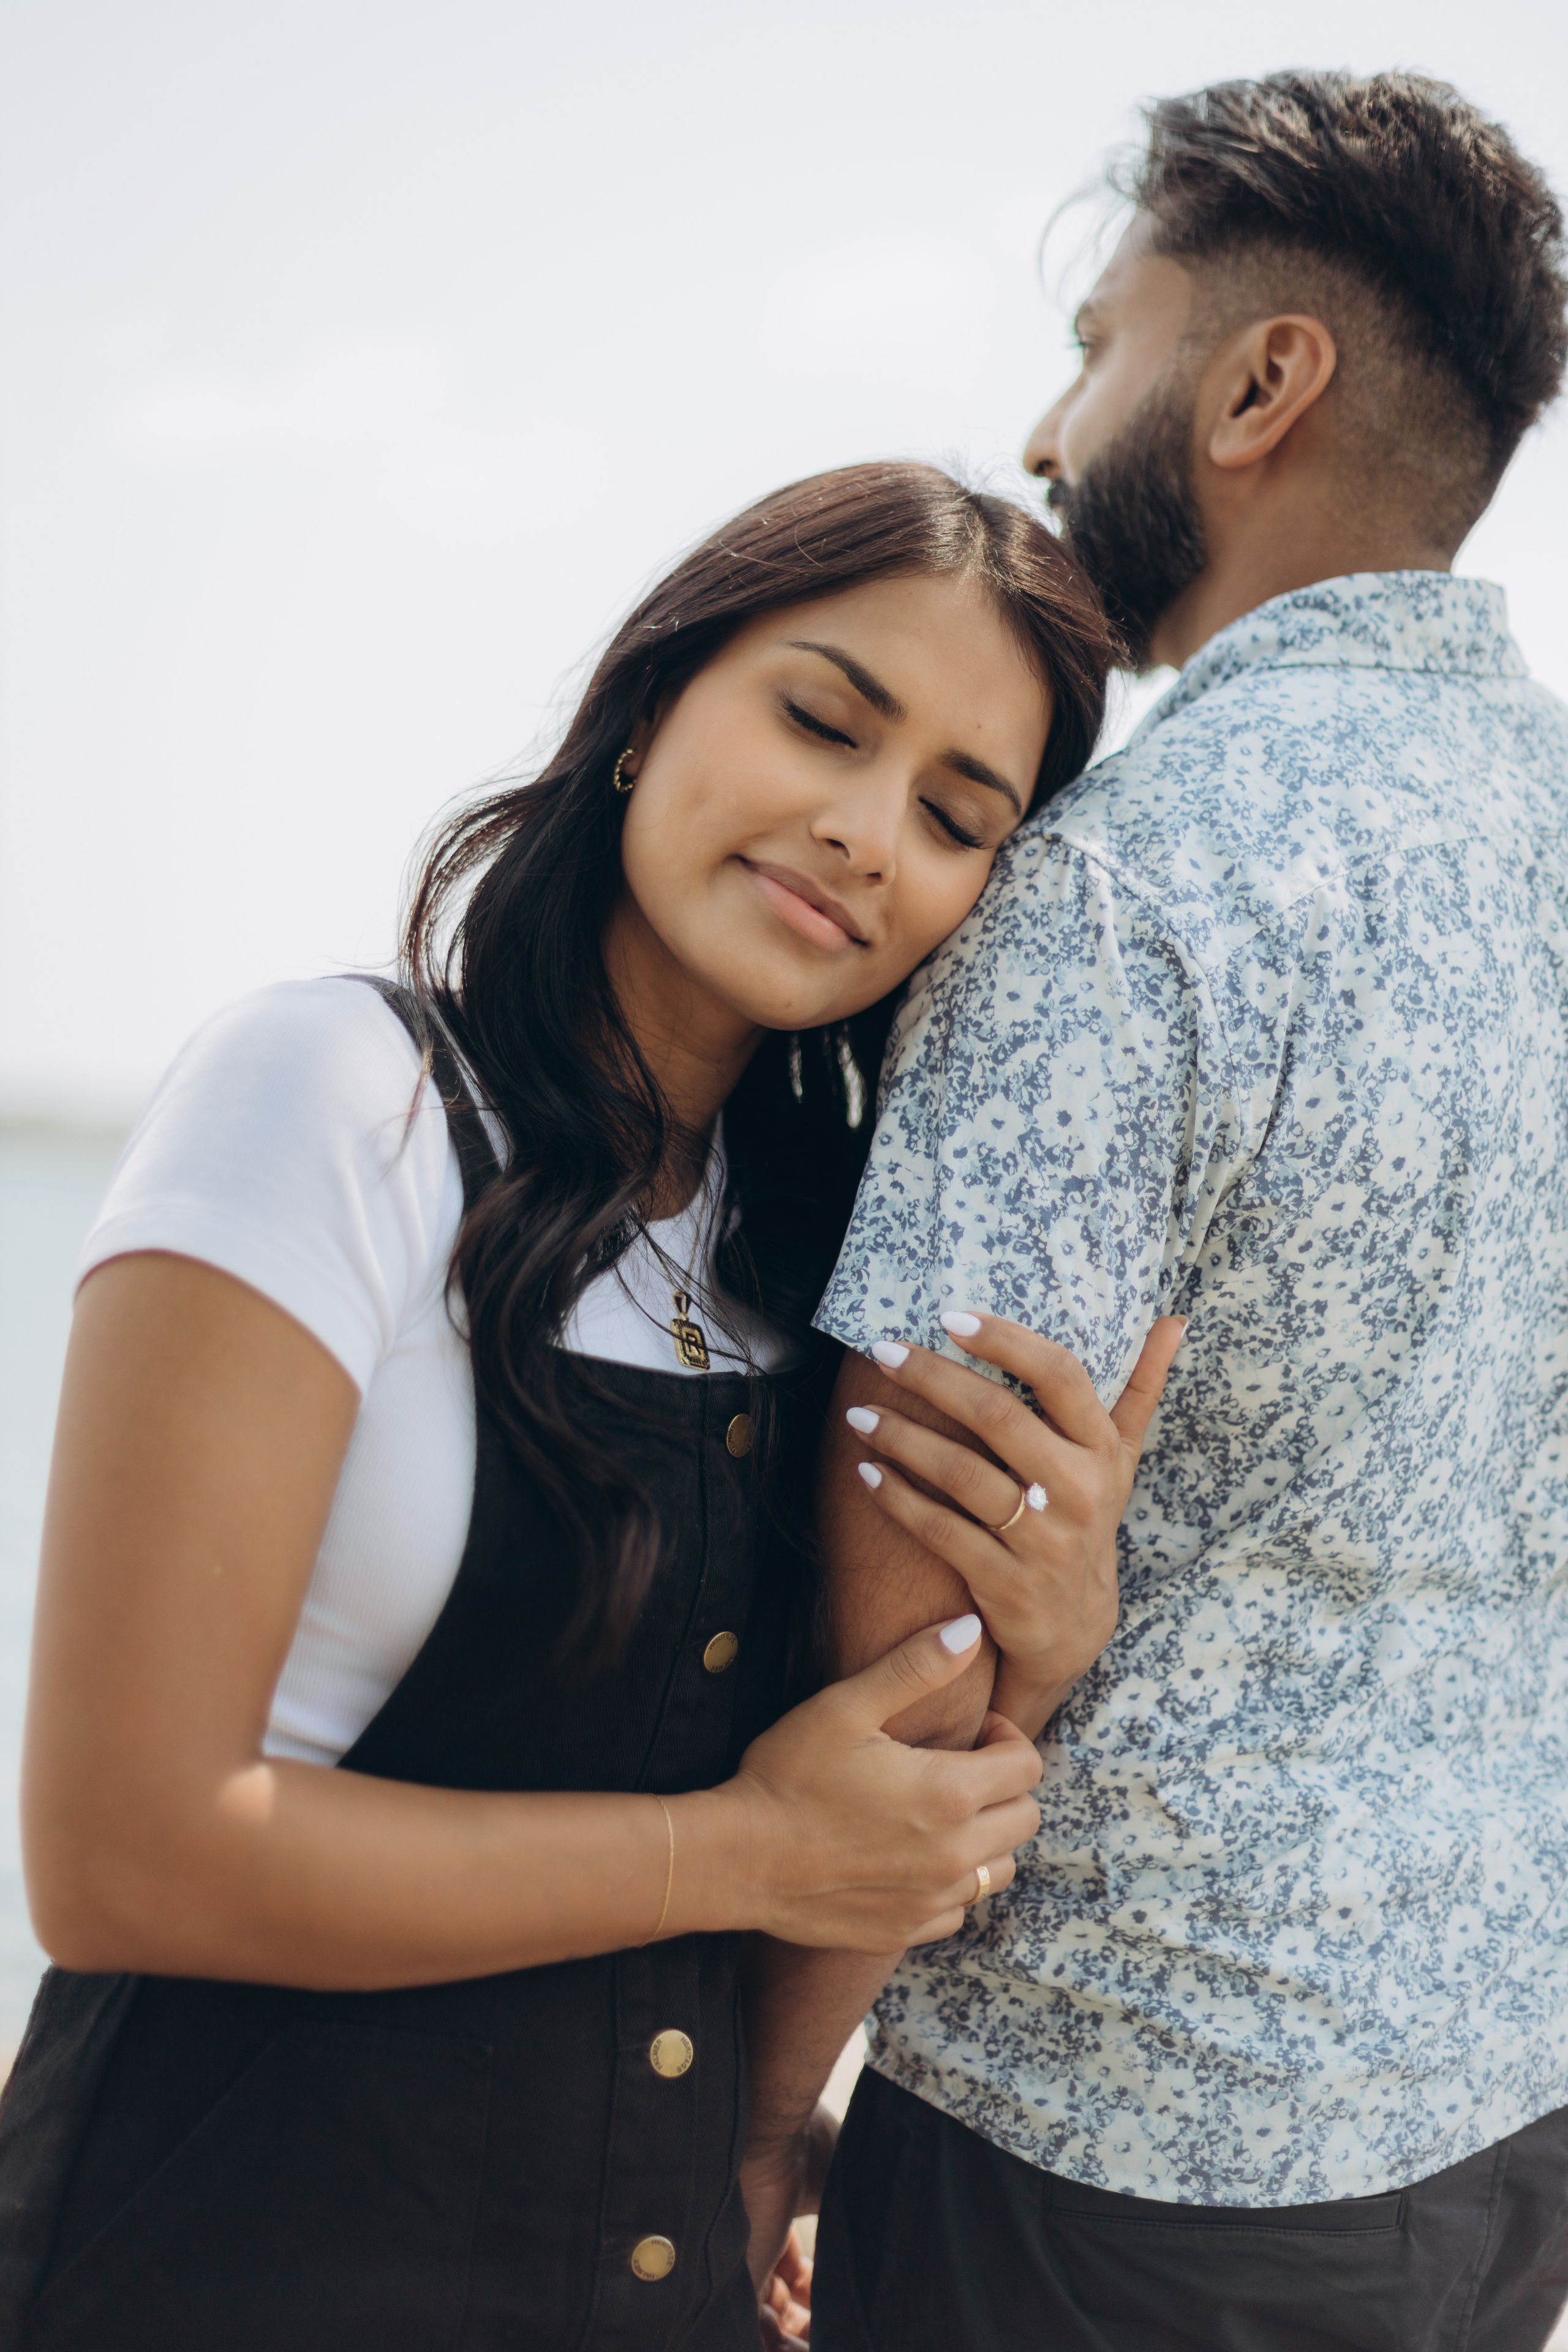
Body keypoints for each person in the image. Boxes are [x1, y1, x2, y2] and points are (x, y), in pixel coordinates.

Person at [0, 460, 1184, 2351]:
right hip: (212, 2263)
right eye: (821, 718)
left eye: (962, 818)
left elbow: (870, 1824)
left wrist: (1040, 1644)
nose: (870, 831)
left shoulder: (818, 1279)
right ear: (646, 712)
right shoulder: (334, 1101)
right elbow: (122, 1854)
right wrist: (737, 1847)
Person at [742, 72, 1568, 2352]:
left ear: (1258, 382)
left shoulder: (1123, 883)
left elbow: (930, 1599)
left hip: (1122, 2152)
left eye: (1098, 342)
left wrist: (768, 2094)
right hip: (1505, 2102)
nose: (1041, 421)